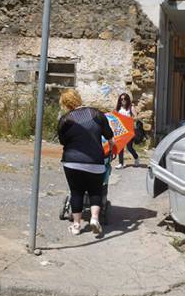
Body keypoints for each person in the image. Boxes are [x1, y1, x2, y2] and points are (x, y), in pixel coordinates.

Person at [57, 89, 116, 236]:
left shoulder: (65, 120)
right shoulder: (96, 114)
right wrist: (112, 148)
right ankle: (94, 219)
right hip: (94, 161)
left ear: (65, 104)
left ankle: (76, 226)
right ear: (78, 98)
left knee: (76, 192)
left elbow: (62, 141)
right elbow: (110, 137)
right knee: (95, 190)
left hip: (71, 162)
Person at [115, 92, 140, 169]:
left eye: (125, 99)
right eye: (121, 99)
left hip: (129, 130)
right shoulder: (118, 108)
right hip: (120, 130)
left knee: (129, 147)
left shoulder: (131, 108)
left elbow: (136, 118)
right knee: (120, 146)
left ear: (127, 99)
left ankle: (136, 158)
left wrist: (128, 119)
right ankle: (121, 163)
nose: (123, 100)